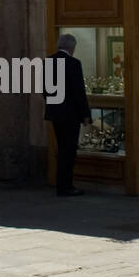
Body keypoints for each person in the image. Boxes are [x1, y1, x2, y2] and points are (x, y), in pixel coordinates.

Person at [45, 32, 91, 196]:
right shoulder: (73, 63)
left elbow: (45, 90)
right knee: (69, 150)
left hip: (55, 113)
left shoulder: (48, 62)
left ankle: (61, 184)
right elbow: (79, 91)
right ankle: (66, 186)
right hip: (71, 114)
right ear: (72, 48)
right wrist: (85, 114)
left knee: (62, 147)